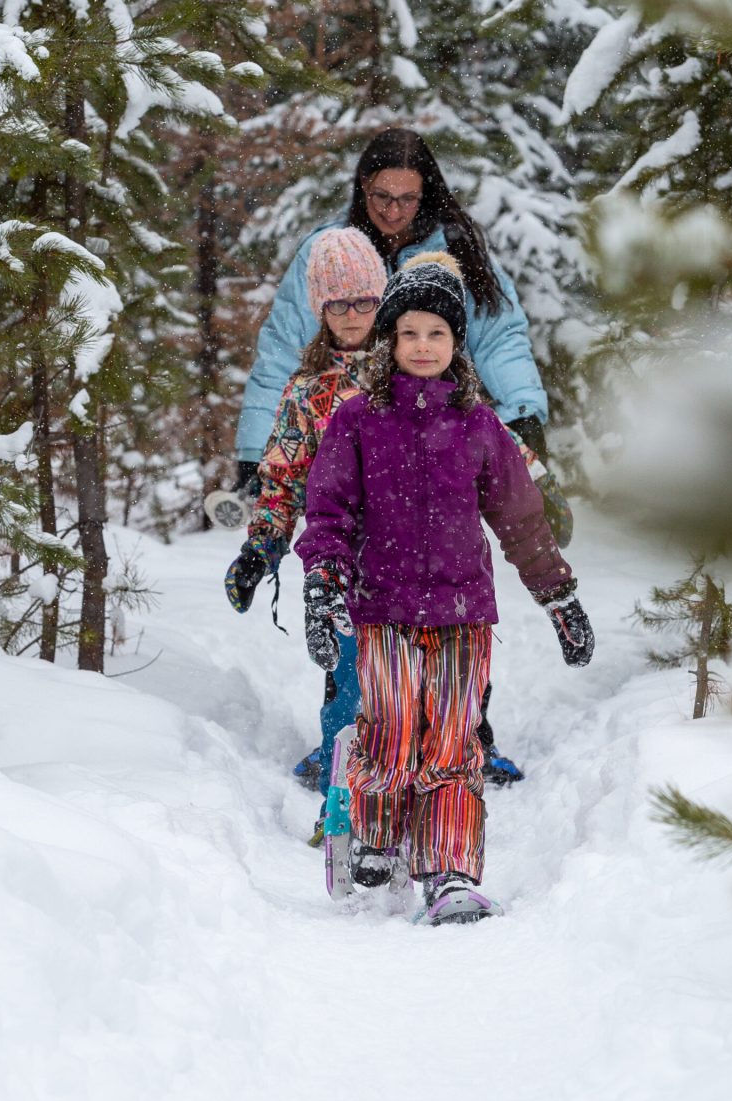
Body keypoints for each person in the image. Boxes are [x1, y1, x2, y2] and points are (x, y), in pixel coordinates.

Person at [229, 127, 565, 788]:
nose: (393, 210)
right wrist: (256, 472)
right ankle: (349, 757)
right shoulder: (321, 324)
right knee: (355, 655)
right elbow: (281, 356)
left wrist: (532, 452)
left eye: (406, 198)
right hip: (356, 538)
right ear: (362, 189)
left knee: (452, 648)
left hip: (439, 533)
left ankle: (464, 741)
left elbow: (495, 354)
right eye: (381, 196)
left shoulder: (436, 311)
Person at [294, 252, 595, 926]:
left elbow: (520, 519)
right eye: (409, 333)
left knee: (455, 742)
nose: (423, 346)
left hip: (463, 612)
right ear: (390, 340)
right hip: (383, 606)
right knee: (393, 732)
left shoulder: (479, 425)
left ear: (457, 342)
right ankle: (375, 833)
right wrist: (323, 583)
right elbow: (330, 510)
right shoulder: (358, 421)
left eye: (437, 333)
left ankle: (451, 870)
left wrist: (558, 595)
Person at [222, 228, 383, 824]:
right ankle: (343, 781)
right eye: (338, 304)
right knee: (346, 668)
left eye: (364, 301)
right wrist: (262, 547)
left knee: (409, 668)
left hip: (409, 549)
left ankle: (417, 773)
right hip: (336, 556)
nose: (352, 315)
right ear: (320, 309)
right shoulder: (308, 391)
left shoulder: (411, 369)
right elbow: (283, 477)